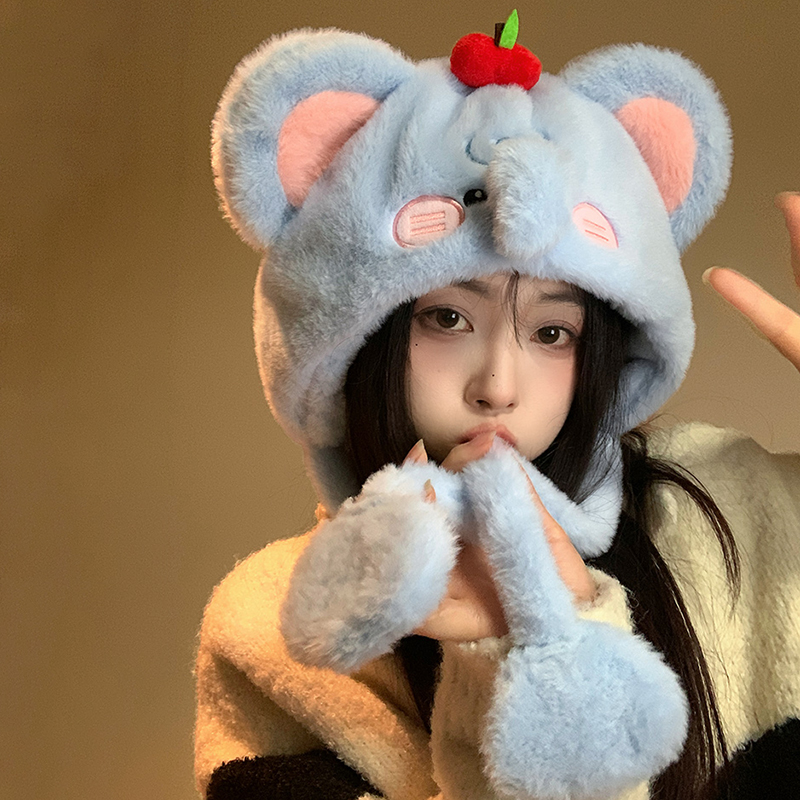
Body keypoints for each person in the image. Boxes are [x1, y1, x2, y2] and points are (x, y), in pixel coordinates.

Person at [194, 23, 800, 800]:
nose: (498, 386)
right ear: (362, 333)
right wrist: (503, 652)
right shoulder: (272, 632)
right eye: (447, 318)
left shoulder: (733, 513)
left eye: (552, 333)